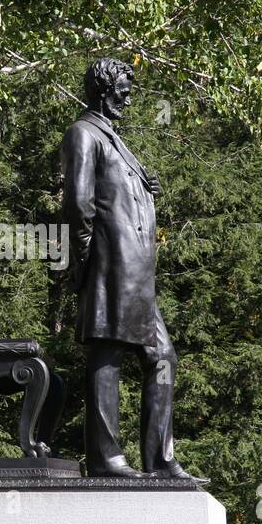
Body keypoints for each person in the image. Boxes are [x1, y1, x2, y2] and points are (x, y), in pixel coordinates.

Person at [60, 56, 206, 482]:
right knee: (107, 353)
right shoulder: (83, 133)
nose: (128, 97)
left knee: (162, 357)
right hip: (110, 263)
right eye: (123, 90)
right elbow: (78, 203)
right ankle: (106, 458)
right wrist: (86, 259)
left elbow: (114, 190)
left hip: (137, 273)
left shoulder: (114, 138)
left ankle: (159, 462)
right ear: (104, 91)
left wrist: (145, 186)